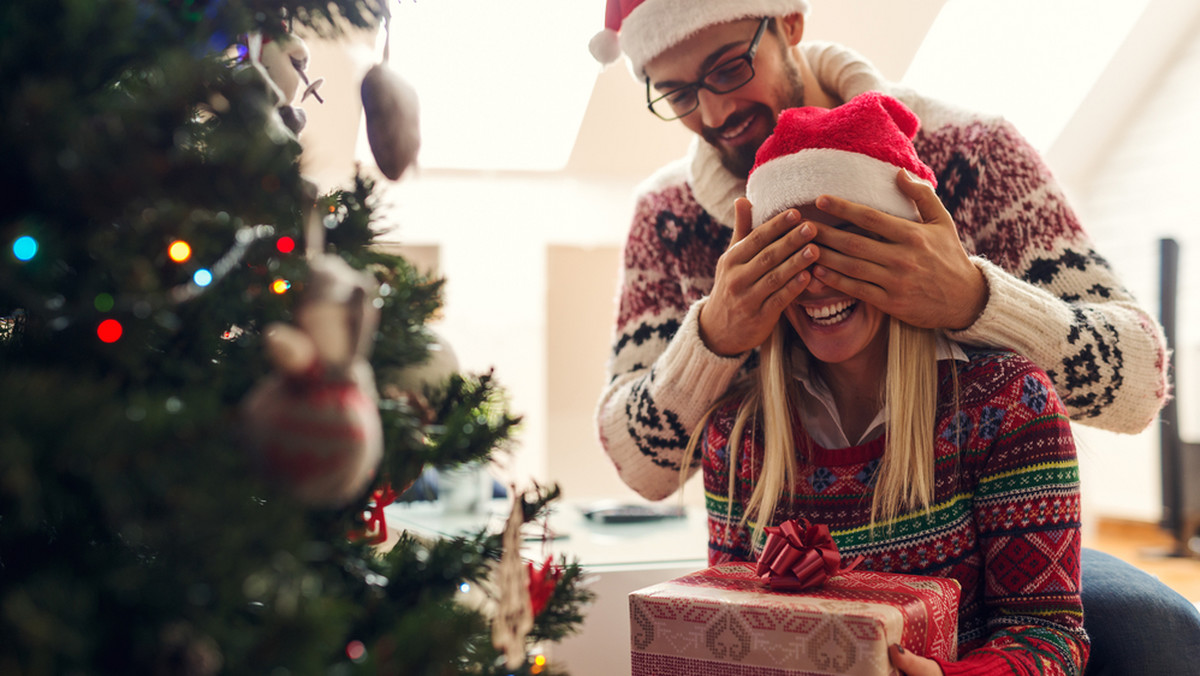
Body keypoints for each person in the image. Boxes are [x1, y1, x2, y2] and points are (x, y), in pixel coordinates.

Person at [587, 1, 1200, 675]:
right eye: (676, 93)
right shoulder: (667, 218)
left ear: (789, 23)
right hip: (791, 511)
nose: (711, 113)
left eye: (729, 67)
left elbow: (1138, 381)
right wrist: (714, 337)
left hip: (979, 521)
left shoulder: (973, 153)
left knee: (1149, 631)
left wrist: (974, 299)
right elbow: (642, 468)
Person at [697, 91, 1088, 675]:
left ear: (904, 250)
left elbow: (1051, 638)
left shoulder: (1007, 405)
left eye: (845, 246)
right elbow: (723, 627)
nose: (817, 282)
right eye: (790, 251)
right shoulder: (738, 434)